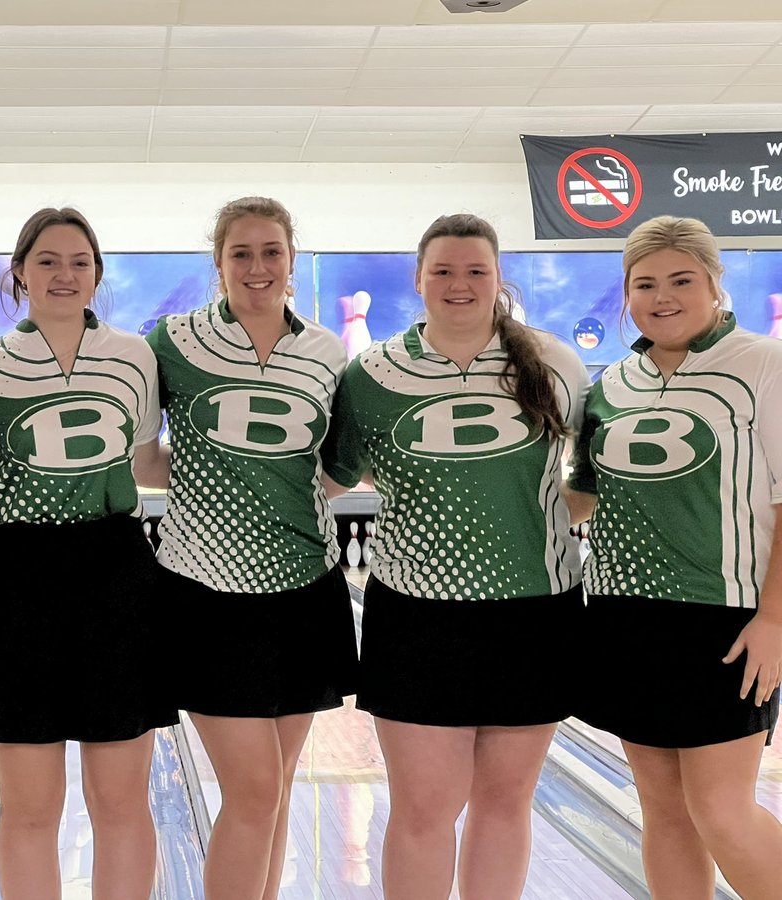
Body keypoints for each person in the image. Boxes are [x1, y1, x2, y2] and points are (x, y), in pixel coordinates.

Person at [321, 213, 590, 900]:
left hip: (535, 612)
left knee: (505, 804)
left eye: (475, 270)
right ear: (418, 279)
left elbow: (588, 484)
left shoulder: (555, 364)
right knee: (423, 808)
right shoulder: (371, 375)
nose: (458, 283)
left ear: (499, 278)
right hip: (417, 618)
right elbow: (335, 478)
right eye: (442, 270)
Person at [0, 207, 177, 900]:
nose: (64, 274)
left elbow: (144, 462)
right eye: (47, 261)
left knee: (121, 802)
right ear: (20, 272)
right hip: (20, 578)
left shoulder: (135, 356)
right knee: (30, 807)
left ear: (97, 274)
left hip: (116, 570)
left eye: (79, 262)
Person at [138, 196, 357, 900]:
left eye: (271, 252)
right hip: (205, 592)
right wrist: (214, 488)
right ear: (219, 262)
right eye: (241, 253)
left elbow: (336, 467)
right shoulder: (173, 341)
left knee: (278, 787)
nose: (257, 266)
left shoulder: (325, 351)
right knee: (256, 789)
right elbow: (143, 459)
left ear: (291, 260)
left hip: (306, 587)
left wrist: (276, 494)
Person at [568, 215, 782, 900]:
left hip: (724, 621)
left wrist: (775, 621)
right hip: (623, 618)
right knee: (665, 813)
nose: (662, 297)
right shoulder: (610, 385)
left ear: (715, 283)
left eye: (682, 280)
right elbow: (584, 498)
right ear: (627, 293)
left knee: (722, 811)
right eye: (645, 284)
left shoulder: (764, 364)